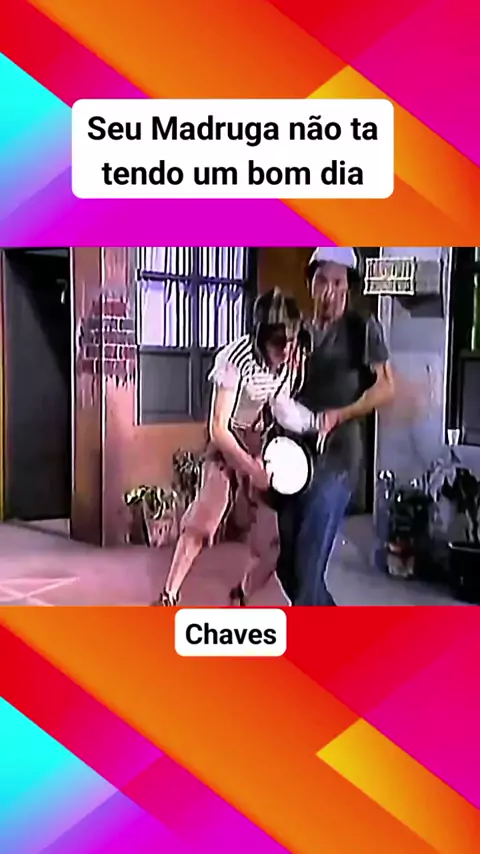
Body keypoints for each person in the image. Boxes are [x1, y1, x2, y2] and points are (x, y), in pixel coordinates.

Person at [152, 288, 308, 606]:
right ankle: (168, 595)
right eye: (278, 342)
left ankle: (242, 594)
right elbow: (218, 428)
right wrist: (249, 468)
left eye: (290, 341)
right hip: (228, 443)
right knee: (202, 522)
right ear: (261, 337)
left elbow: (280, 406)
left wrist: (312, 422)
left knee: (274, 543)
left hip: (261, 442)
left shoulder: (291, 360)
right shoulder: (235, 359)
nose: (285, 349)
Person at [273, 247, 395, 606]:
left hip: (338, 460)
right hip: (295, 458)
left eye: (338, 282)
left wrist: (340, 414)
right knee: (287, 565)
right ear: (310, 283)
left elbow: (387, 387)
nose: (330, 290)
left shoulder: (363, 328)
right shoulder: (299, 331)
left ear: (349, 287)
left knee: (307, 570)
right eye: (322, 280)